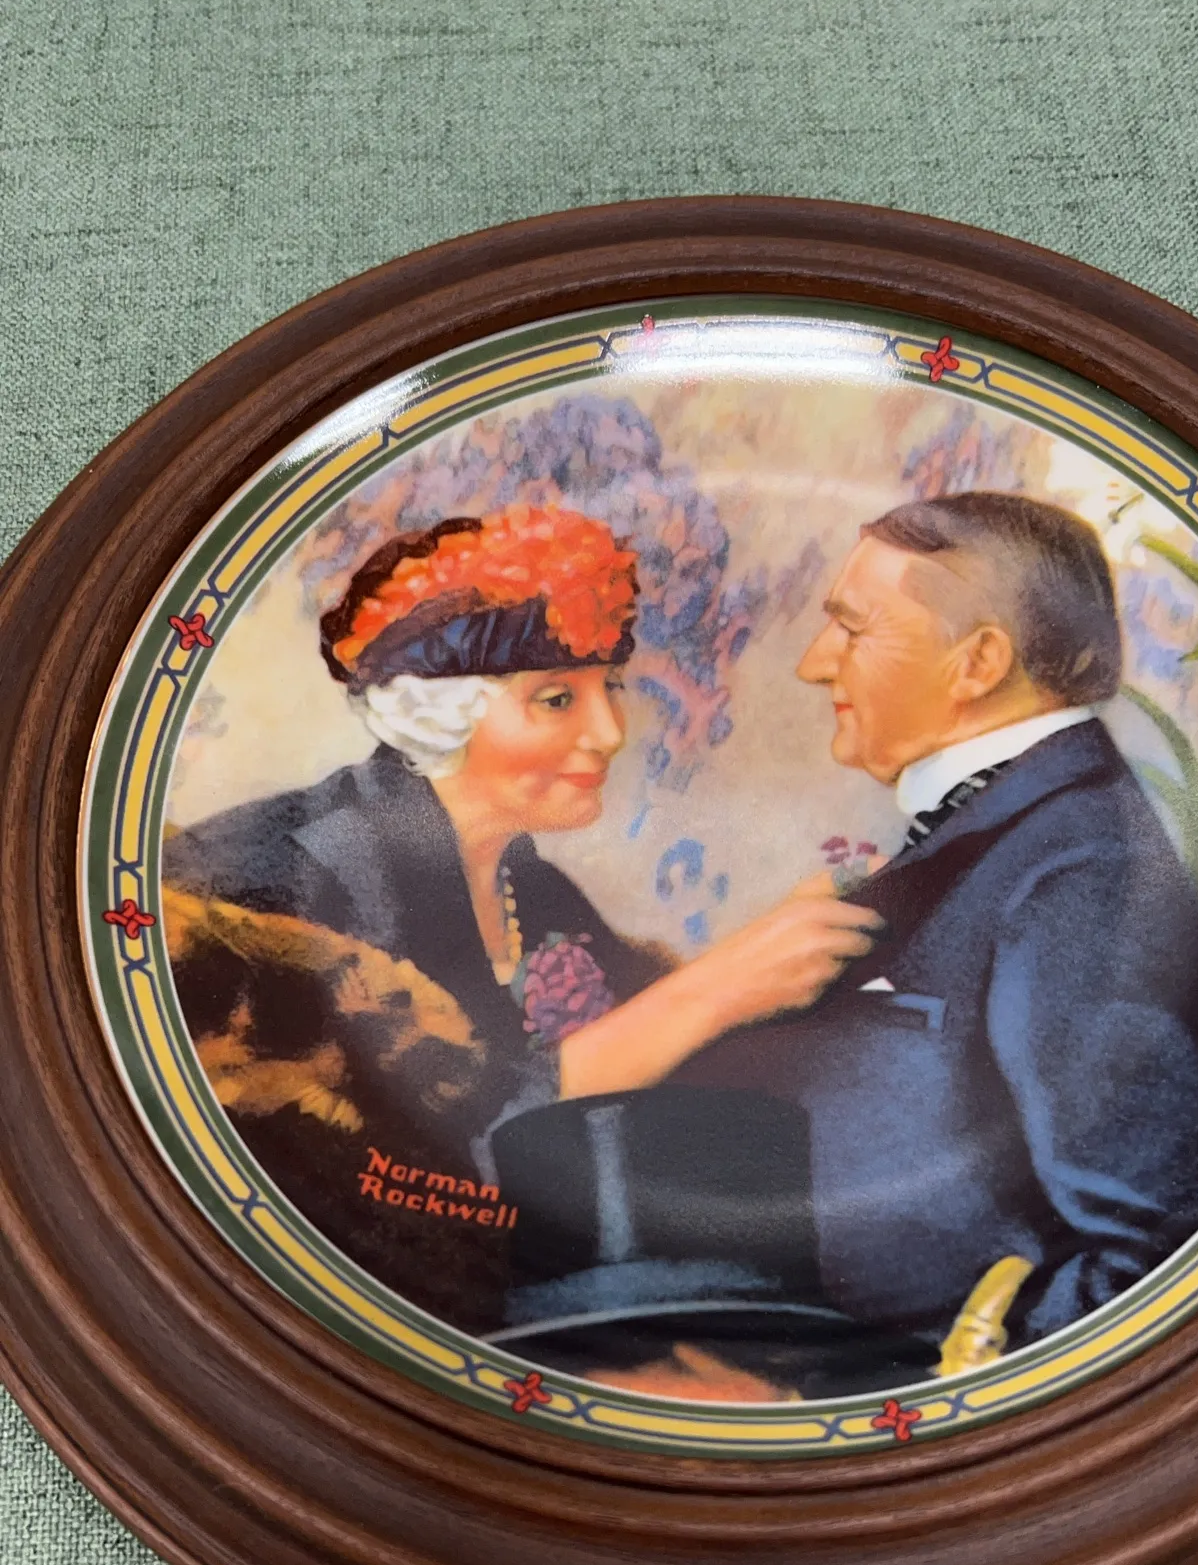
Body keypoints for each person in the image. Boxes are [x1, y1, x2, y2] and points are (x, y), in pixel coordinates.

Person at [163, 503, 882, 1335]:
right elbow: (429, 1144)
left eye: (609, 688)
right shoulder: (291, 876)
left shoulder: (534, 891)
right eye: (556, 699)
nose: (608, 733)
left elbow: (648, 1070)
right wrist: (711, 993)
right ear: (436, 712)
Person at [669, 490, 1198, 1359]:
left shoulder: (1080, 870)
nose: (812, 663)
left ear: (978, 661)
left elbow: (1170, 1245)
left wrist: (955, 1387)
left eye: (851, 628)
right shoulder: (1009, 833)